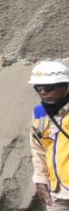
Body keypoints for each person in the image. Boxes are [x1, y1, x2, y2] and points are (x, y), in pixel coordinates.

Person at [28, 60, 69, 209]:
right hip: (57, 192)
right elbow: (38, 148)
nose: (43, 92)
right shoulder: (39, 113)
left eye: (49, 87)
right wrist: (40, 179)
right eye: (38, 88)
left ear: (65, 85)